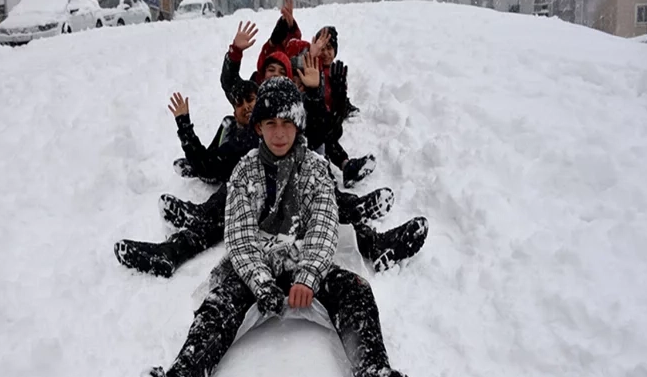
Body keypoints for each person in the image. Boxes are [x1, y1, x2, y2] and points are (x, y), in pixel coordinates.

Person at [89, 78, 456, 377]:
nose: (279, 133)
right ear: (259, 127)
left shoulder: (314, 169)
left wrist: (308, 274)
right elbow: (239, 235)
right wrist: (261, 282)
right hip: (257, 268)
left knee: (356, 293)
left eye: (286, 124)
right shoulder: (245, 170)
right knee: (217, 309)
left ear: (297, 125)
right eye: (270, 124)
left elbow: (325, 226)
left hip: (304, 264)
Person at [116, 56, 424, 278]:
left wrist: (317, 93)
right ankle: (172, 250)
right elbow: (209, 162)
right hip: (251, 197)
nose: (248, 106)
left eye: (252, 99)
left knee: (321, 206)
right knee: (227, 205)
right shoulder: (240, 135)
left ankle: (373, 235)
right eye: (243, 103)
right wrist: (185, 127)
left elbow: (320, 131)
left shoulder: (292, 123)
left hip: (295, 188)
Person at [221, 22, 374, 188]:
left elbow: (323, 131)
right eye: (271, 70)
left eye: (282, 73)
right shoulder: (255, 90)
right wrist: (235, 51)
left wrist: (337, 98)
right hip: (255, 153)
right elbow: (230, 83)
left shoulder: (296, 103)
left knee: (318, 148)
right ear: (263, 72)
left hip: (290, 155)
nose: (276, 76)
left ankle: (339, 178)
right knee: (228, 129)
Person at [171, 79, 259, 184]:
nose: (245, 106)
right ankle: (202, 159)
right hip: (217, 162)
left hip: (238, 181)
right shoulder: (234, 124)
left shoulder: (247, 139)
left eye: (250, 99)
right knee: (228, 122)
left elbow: (208, 168)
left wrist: (184, 126)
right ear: (235, 113)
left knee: (210, 166)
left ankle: (201, 163)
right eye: (239, 103)